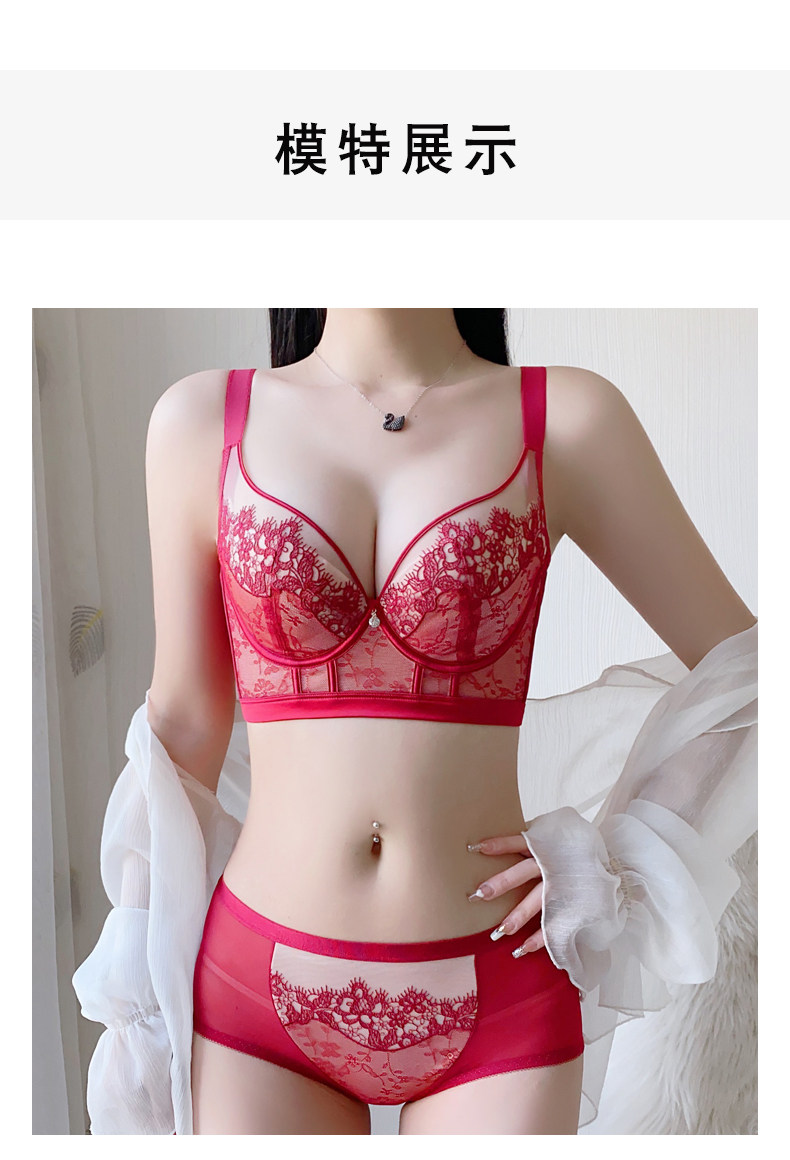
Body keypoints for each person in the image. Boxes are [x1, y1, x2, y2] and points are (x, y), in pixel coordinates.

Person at [72, 308, 757, 1135]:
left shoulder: (568, 419)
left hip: (499, 990)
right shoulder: (200, 420)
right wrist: (136, 980)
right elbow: (183, 729)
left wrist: (611, 861)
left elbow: (750, 671)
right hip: (254, 993)